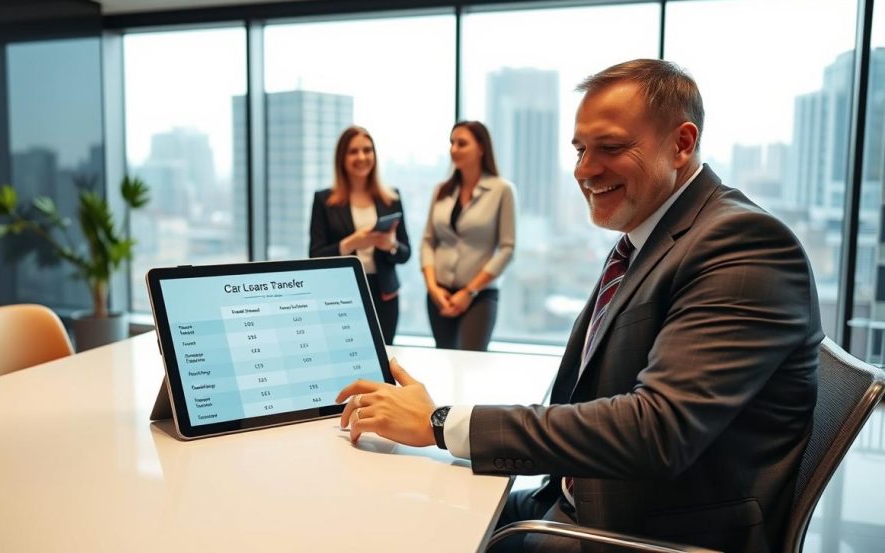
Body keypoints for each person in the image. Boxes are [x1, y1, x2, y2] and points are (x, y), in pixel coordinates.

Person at [335, 59, 822, 553]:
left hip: (644, 533)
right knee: (409, 506)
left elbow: (656, 431)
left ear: (682, 143)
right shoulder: (649, 235)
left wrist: (440, 422)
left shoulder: (742, 243)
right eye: (580, 149)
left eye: (610, 148)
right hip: (585, 495)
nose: (584, 170)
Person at [310, 126, 411, 345]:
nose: (362, 157)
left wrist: (391, 246)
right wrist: (351, 243)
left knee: (384, 355)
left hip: (384, 293)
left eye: (367, 150)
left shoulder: (391, 198)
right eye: (353, 151)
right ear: (342, 158)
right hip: (343, 293)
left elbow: (405, 252)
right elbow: (315, 255)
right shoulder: (324, 201)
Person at [421, 121, 516, 351]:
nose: (454, 149)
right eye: (452, 143)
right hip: (440, 294)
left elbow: (507, 248)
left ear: (481, 148)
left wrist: (469, 291)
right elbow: (427, 241)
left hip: (479, 296)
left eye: (462, 143)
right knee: (444, 359)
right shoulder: (441, 191)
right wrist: (433, 287)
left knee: (471, 363)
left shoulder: (501, 190)